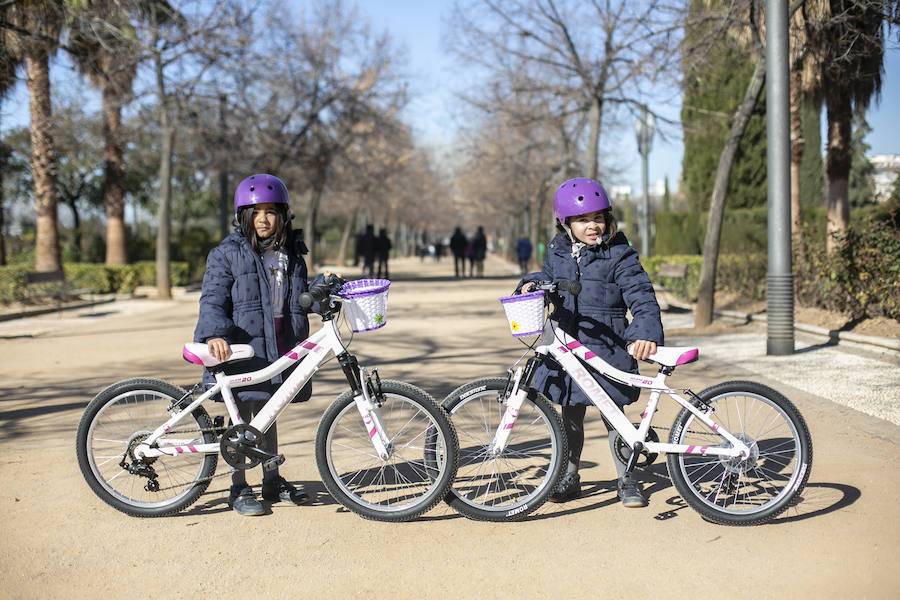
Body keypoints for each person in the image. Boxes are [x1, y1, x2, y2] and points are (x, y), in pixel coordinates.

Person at [518, 177, 663, 508]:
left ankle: (627, 478)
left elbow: (641, 294)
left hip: (607, 343)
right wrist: (529, 286)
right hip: (567, 341)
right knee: (570, 415)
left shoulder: (619, 254)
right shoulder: (557, 250)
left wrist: (644, 330)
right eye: (583, 220)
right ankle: (570, 474)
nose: (593, 226)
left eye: (598, 217)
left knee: (613, 414)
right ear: (566, 223)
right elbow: (546, 278)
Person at [194, 173, 318, 516]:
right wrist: (214, 333)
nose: (263, 219)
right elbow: (212, 299)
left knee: (270, 409)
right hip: (242, 341)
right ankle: (239, 485)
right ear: (243, 216)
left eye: (270, 212)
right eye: (255, 212)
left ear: (283, 215)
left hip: (280, 339)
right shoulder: (227, 254)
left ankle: (271, 478)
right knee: (244, 414)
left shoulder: (291, 255)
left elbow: (297, 297)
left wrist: (320, 297)